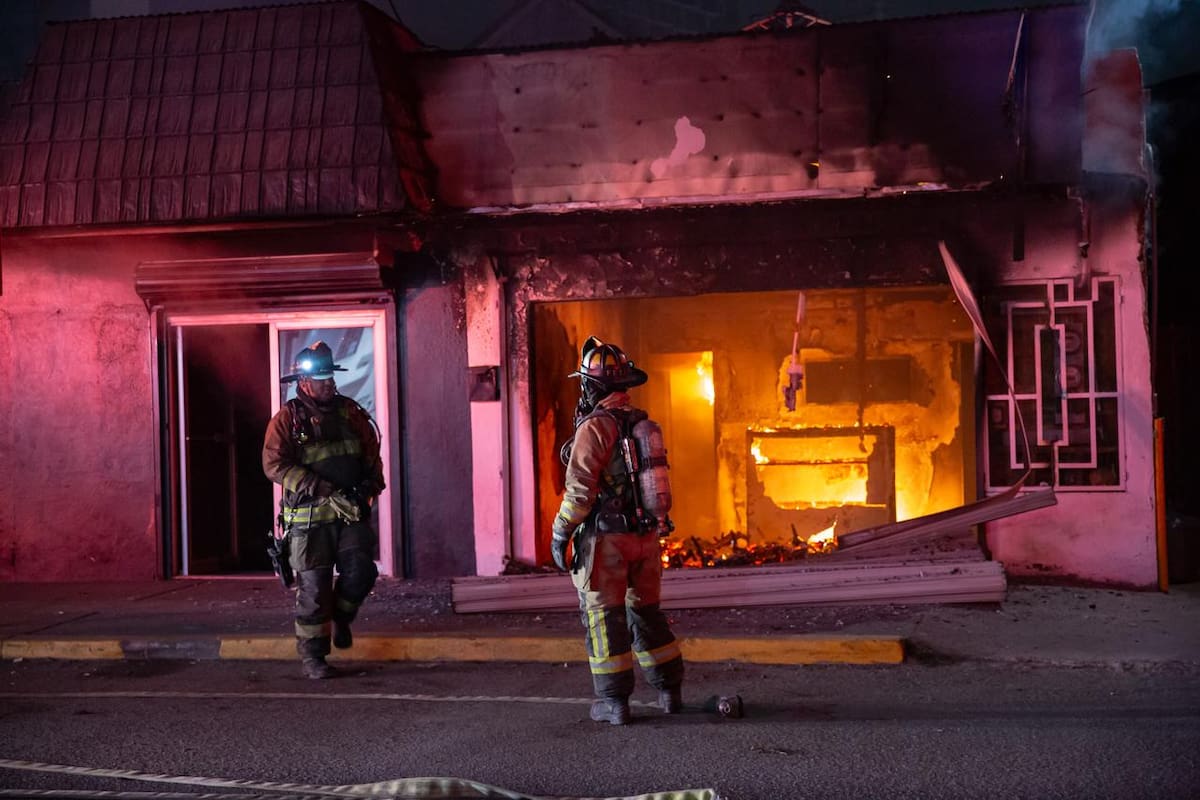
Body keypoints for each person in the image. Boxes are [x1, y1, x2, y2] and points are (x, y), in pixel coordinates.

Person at [552, 336, 684, 725]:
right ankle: (670, 691)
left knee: (604, 617)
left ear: (591, 386)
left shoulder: (594, 428)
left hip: (607, 541)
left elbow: (579, 492)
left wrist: (561, 534)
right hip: (645, 538)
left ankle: (614, 704)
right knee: (648, 614)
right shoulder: (642, 424)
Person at [262, 340, 384, 680]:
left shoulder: (351, 413)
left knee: (361, 572)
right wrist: (314, 485)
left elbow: (372, 456)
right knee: (314, 591)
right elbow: (273, 464)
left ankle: (342, 617)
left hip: (349, 514)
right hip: (309, 521)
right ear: (304, 383)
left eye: (331, 377)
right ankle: (314, 658)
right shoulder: (287, 419)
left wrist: (370, 487)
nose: (329, 383)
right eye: (322, 378)